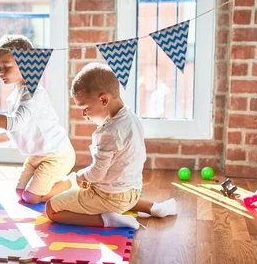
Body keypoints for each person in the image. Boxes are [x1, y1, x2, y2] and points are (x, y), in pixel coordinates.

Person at [45, 63, 177, 230]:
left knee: (51, 209)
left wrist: (81, 175)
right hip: (133, 191)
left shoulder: (108, 133)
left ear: (104, 100)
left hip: (110, 198)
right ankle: (155, 208)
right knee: (119, 195)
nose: (84, 115)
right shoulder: (131, 117)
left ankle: (108, 220)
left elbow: (97, 173)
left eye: (85, 108)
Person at [0, 34, 75, 204]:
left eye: (6, 66)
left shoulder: (33, 93)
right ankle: (44, 181)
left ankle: (70, 183)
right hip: (35, 156)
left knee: (30, 197)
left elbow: (14, 123)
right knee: (19, 192)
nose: (1, 72)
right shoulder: (16, 94)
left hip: (56, 156)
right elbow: (18, 129)